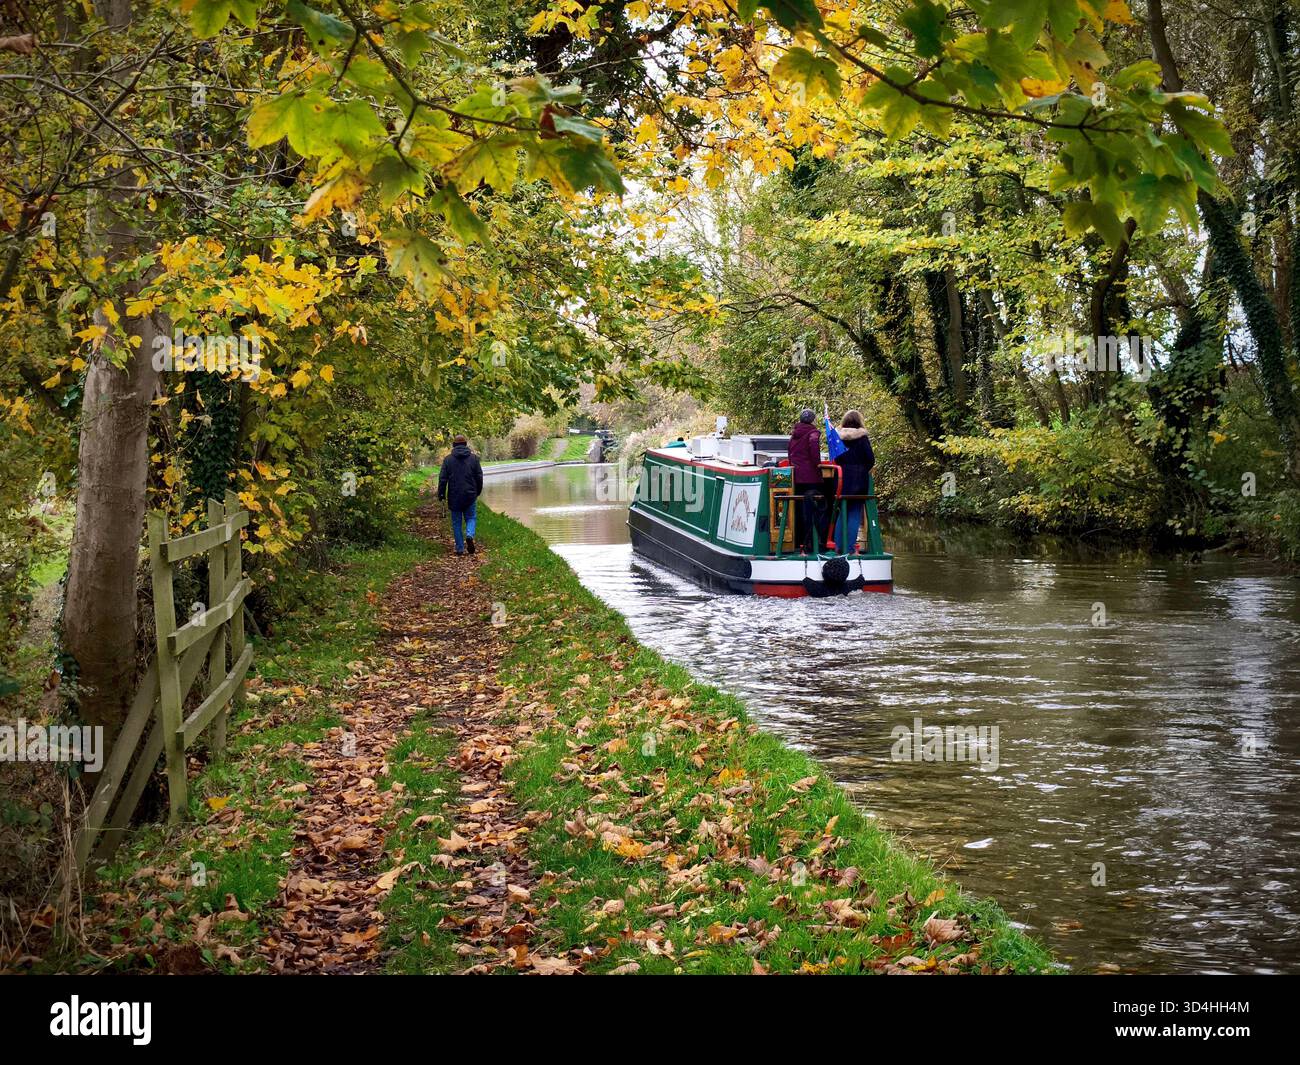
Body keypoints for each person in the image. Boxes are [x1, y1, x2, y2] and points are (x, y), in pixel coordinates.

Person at [834, 409, 875, 553]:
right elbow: (870, 459)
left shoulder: (838, 437)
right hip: (859, 480)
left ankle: (838, 547)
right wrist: (862, 469)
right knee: (854, 513)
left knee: (842, 512)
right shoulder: (862, 438)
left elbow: (836, 458)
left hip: (842, 479)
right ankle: (850, 548)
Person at [787, 408, 826, 554]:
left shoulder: (794, 435)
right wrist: (818, 465)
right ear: (813, 420)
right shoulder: (813, 434)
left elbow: (790, 454)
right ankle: (816, 542)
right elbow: (814, 452)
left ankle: (798, 542)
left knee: (798, 507)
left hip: (796, 477)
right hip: (811, 477)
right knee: (821, 505)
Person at [437, 434, 484, 556]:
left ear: (454, 445)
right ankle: (469, 535)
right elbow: (479, 476)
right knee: (471, 517)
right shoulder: (474, 459)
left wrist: (441, 494)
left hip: (454, 495)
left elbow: (442, 479)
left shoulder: (448, 460)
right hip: (470, 494)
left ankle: (459, 548)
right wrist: (478, 491)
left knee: (456, 522)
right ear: (465, 445)